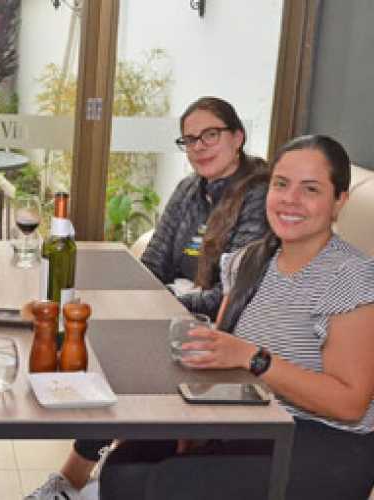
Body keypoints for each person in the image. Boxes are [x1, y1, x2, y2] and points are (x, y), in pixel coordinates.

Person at [99, 135, 374, 500]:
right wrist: (194, 419)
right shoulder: (251, 260)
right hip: (250, 417)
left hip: (324, 440)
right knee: (123, 471)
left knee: (173, 485)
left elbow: (349, 403)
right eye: (281, 184)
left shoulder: (350, 276)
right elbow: (221, 347)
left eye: (310, 189)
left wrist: (253, 358)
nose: (290, 199)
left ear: (339, 201)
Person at [27, 96, 271, 499]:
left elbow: (232, 295)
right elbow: (153, 263)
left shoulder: (258, 198)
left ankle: (71, 480)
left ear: (238, 137)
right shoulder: (189, 190)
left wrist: (173, 299)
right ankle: (74, 480)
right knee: (101, 346)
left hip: (219, 333)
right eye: (189, 140)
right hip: (174, 319)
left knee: (119, 364)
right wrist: (170, 295)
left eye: (210, 135)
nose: (199, 147)